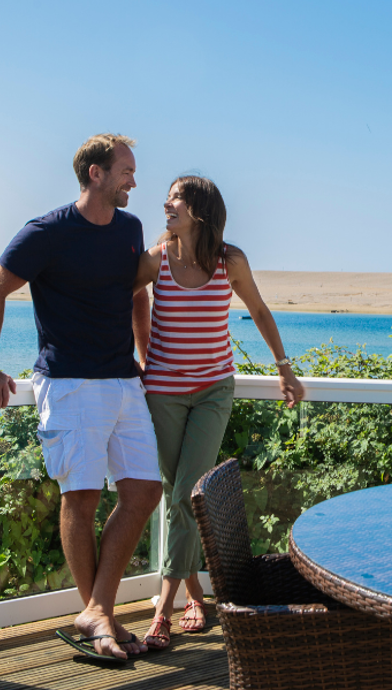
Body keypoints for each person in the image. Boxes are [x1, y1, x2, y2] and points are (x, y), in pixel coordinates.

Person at [0, 133, 163, 662]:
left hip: (124, 383)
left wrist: (145, 363)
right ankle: (100, 617)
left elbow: (136, 296)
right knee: (80, 498)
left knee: (144, 491)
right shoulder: (47, 232)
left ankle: (96, 610)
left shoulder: (129, 229)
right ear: (95, 174)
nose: (134, 181)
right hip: (70, 384)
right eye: (126, 170)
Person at [135, 175, 304, 650]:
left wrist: (285, 368)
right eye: (168, 198)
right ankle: (195, 596)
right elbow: (128, 295)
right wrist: (143, 355)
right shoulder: (157, 258)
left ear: (200, 210)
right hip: (163, 390)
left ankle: (161, 612)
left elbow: (260, 310)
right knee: (176, 493)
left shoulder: (230, 261)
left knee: (189, 490)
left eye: (176, 199)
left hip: (213, 390)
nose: (166, 204)